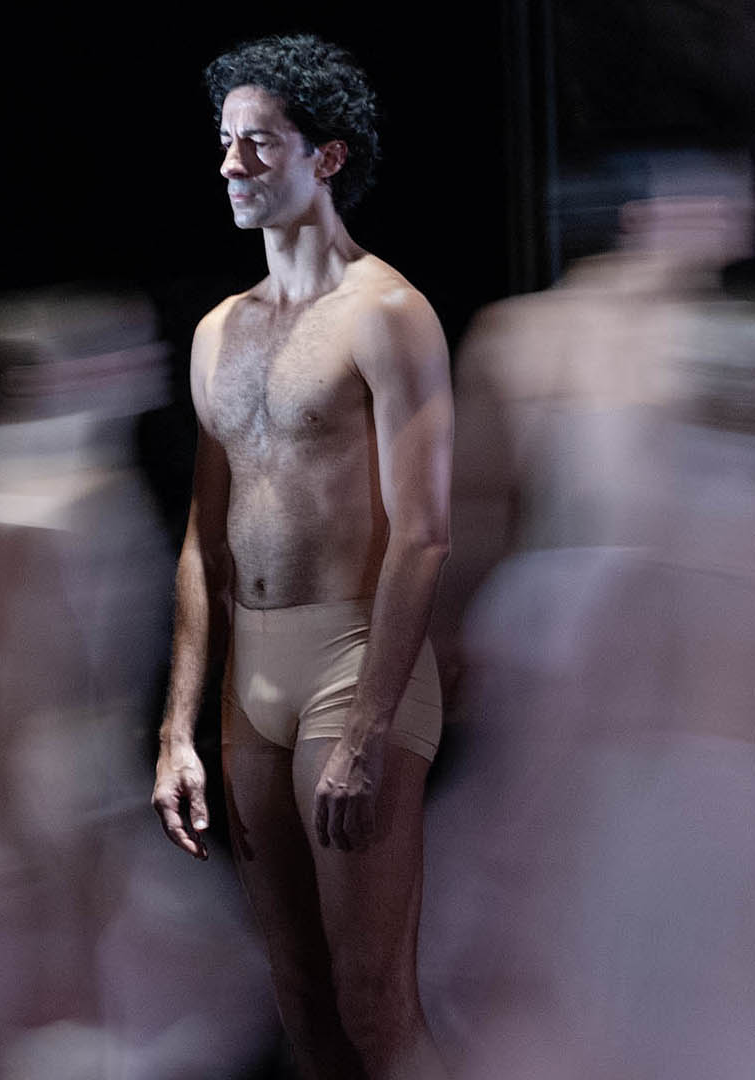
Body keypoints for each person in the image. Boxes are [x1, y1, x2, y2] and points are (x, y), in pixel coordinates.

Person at [149, 34, 452, 1080]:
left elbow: (423, 531)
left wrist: (368, 725)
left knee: (373, 1005)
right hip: (251, 681)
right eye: (226, 144)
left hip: (353, 661)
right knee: (300, 1004)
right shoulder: (215, 331)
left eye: (257, 144)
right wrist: (176, 727)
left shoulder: (390, 314)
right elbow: (203, 533)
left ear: (323, 158)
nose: (231, 166)